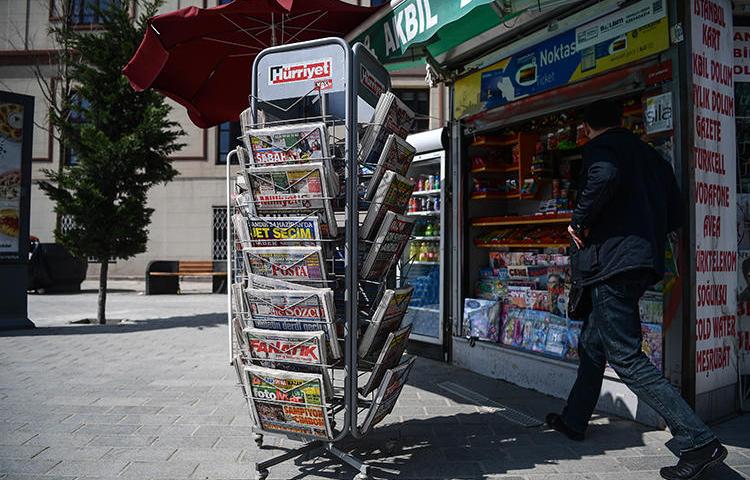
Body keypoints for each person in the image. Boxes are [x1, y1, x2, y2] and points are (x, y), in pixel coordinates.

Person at [545, 98, 727, 480]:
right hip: (639, 261)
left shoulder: (603, 150)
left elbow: (605, 175)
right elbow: (676, 212)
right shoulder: (650, 156)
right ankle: (574, 419)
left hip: (611, 263)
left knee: (627, 358)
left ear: (587, 128)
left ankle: (697, 440)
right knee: (594, 344)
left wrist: (579, 220)